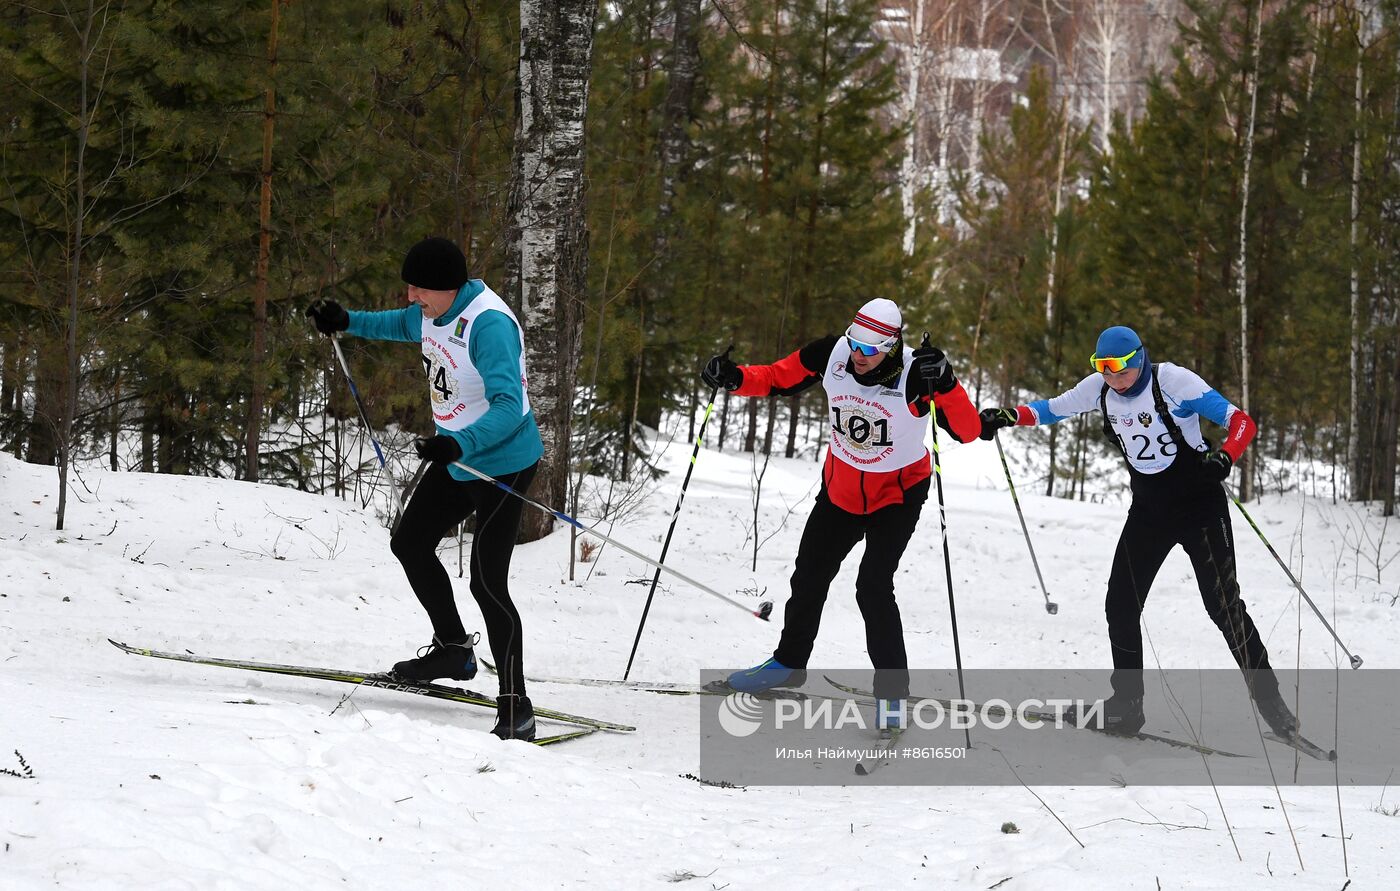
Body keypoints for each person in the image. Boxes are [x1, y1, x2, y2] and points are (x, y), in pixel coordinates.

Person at [979, 325, 1298, 738]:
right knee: (1120, 604)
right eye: (1104, 370)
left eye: (1120, 370)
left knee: (1223, 606)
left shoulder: (1174, 382)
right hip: (1150, 510)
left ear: (1139, 359)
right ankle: (1126, 707)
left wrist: (1225, 457)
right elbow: (1052, 409)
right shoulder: (1099, 389)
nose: (1113, 379)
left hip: (1200, 507)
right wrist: (1006, 416)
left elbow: (1241, 421)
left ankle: (1273, 705)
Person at [702, 299, 981, 730]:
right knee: (809, 576)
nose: (859, 356)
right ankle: (788, 664)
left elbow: (967, 430)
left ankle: (892, 695)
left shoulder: (916, 374)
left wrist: (946, 383)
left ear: (892, 347)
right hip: (841, 490)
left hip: (897, 496)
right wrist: (735, 378)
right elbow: (777, 378)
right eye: (855, 344)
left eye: (871, 350)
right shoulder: (831, 354)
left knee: (872, 588)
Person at [306, 237, 543, 741]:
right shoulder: (434, 310)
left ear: (448, 286)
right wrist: (347, 320)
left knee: (486, 583)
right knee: (409, 541)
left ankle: (516, 704)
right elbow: (400, 323)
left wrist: (459, 443)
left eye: (419, 287)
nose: (411, 295)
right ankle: (455, 651)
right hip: (458, 456)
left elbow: (509, 403)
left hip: (502, 464)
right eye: (408, 286)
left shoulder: (489, 325)